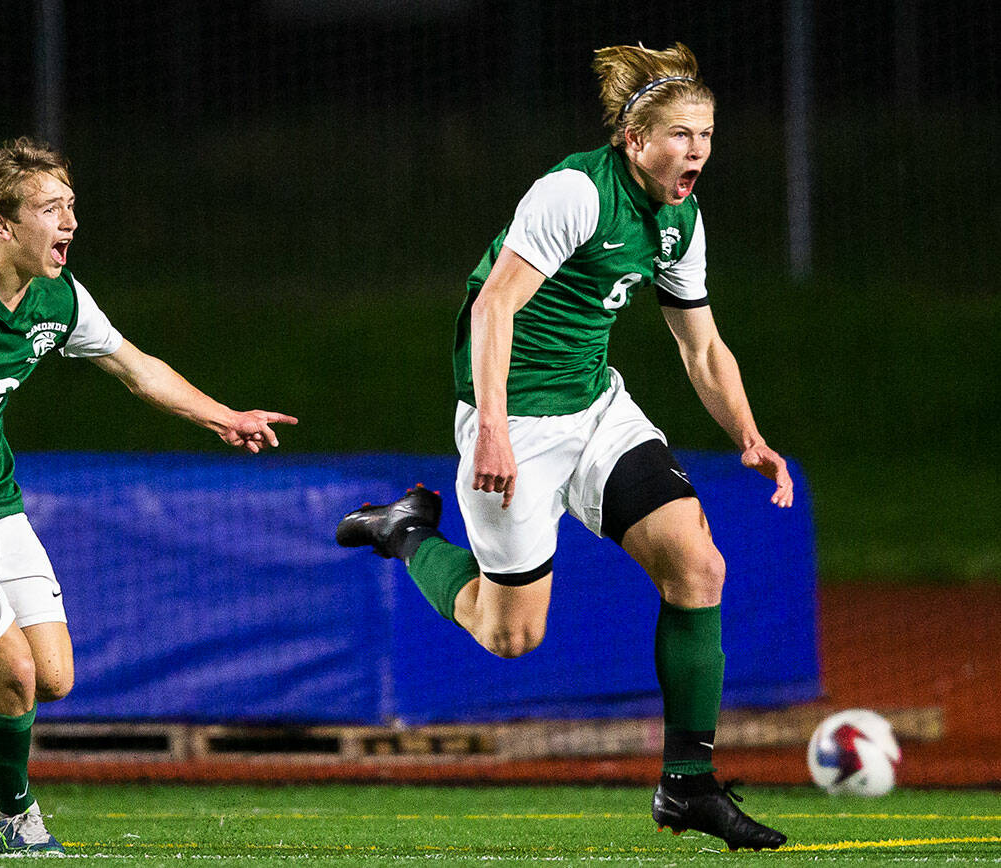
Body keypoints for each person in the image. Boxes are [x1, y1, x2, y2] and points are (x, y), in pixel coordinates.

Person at [337, 43, 790, 851]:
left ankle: (686, 786)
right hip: (513, 420)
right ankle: (403, 530)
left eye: (707, 135)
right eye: (681, 135)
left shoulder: (681, 218)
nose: (697, 152)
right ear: (632, 138)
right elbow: (494, 311)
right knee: (511, 634)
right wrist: (498, 432)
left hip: (596, 407)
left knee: (699, 566)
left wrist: (749, 436)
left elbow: (703, 348)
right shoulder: (574, 191)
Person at [0, 137, 297, 853]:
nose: (70, 221)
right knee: (10, 670)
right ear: (0, 226)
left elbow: (138, 369)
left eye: (71, 204)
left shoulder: (59, 298)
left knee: (53, 677)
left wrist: (225, 416)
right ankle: (16, 820)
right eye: (51, 209)